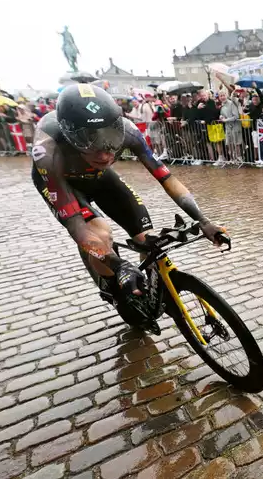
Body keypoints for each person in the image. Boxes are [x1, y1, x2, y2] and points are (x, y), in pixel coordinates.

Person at [30, 85, 225, 333]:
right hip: (63, 183)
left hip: (100, 179)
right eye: (91, 143)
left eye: (109, 141)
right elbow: (76, 226)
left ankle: (149, 291)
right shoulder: (47, 150)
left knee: (147, 238)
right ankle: (116, 289)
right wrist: (119, 266)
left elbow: (166, 178)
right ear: (70, 135)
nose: (104, 154)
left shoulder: (129, 132)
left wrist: (203, 220)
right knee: (100, 234)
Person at [218, 90, 242, 164]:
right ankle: (232, 158)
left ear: (226, 95)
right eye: (221, 96)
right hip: (228, 127)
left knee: (236, 143)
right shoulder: (222, 105)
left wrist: (226, 120)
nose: (222, 97)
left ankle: (239, 158)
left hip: (235, 125)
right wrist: (221, 116)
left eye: (223, 95)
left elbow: (236, 116)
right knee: (229, 143)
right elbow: (222, 114)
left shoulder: (231, 103)